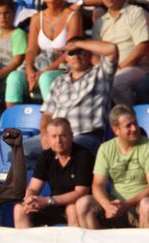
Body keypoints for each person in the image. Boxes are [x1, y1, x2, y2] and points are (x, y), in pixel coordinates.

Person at [22, 37, 118, 167]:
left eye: (80, 51)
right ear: (65, 58)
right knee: (18, 152)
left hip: (85, 135)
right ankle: (46, 179)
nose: (76, 56)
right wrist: (45, 135)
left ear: (89, 54)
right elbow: (47, 115)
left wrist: (77, 43)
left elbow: (112, 49)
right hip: (55, 136)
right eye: (71, 53)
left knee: (69, 153)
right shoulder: (59, 82)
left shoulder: (101, 75)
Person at [75, 105, 149, 228]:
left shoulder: (147, 146)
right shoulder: (106, 148)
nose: (134, 128)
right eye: (128, 125)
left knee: (147, 205)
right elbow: (98, 184)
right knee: (83, 204)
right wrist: (107, 205)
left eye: (135, 123)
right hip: (114, 205)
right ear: (116, 130)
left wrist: (126, 205)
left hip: (138, 205)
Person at [14, 117, 93, 227]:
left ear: (71, 136)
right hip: (52, 205)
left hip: (74, 203)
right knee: (19, 209)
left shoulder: (83, 156)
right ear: (48, 139)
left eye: (63, 136)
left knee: (71, 208)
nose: (58, 141)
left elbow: (81, 192)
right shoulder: (46, 156)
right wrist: (30, 199)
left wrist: (47, 201)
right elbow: (33, 188)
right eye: (54, 137)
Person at [7, 0, 83, 106]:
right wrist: (29, 71)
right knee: (14, 77)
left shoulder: (73, 16)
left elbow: (70, 51)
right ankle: (11, 119)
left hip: (63, 67)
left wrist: (43, 72)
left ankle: (50, 119)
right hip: (40, 65)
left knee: (45, 78)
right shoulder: (37, 18)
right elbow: (31, 50)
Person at [92, 0, 149, 106]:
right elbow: (95, 54)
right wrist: (102, 70)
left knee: (117, 82)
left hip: (137, 68)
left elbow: (143, 46)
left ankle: (130, 118)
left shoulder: (136, 13)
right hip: (109, 69)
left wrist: (119, 68)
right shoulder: (99, 23)